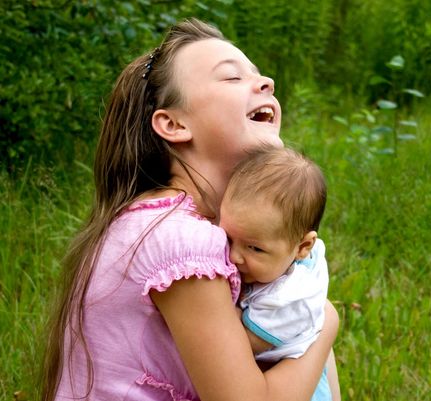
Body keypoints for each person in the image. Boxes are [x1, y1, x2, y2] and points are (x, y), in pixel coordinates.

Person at [41, 17, 339, 401]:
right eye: (232, 78)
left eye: (260, 74)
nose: (267, 83)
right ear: (174, 124)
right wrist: (324, 321)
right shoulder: (181, 240)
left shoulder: (174, 224)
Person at [219, 147, 338, 401]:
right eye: (228, 237)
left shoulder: (291, 299)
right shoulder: (280, 253)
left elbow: (246, 343)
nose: (233, 256)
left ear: (303, 247)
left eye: (254, 248)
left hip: (301, 388)